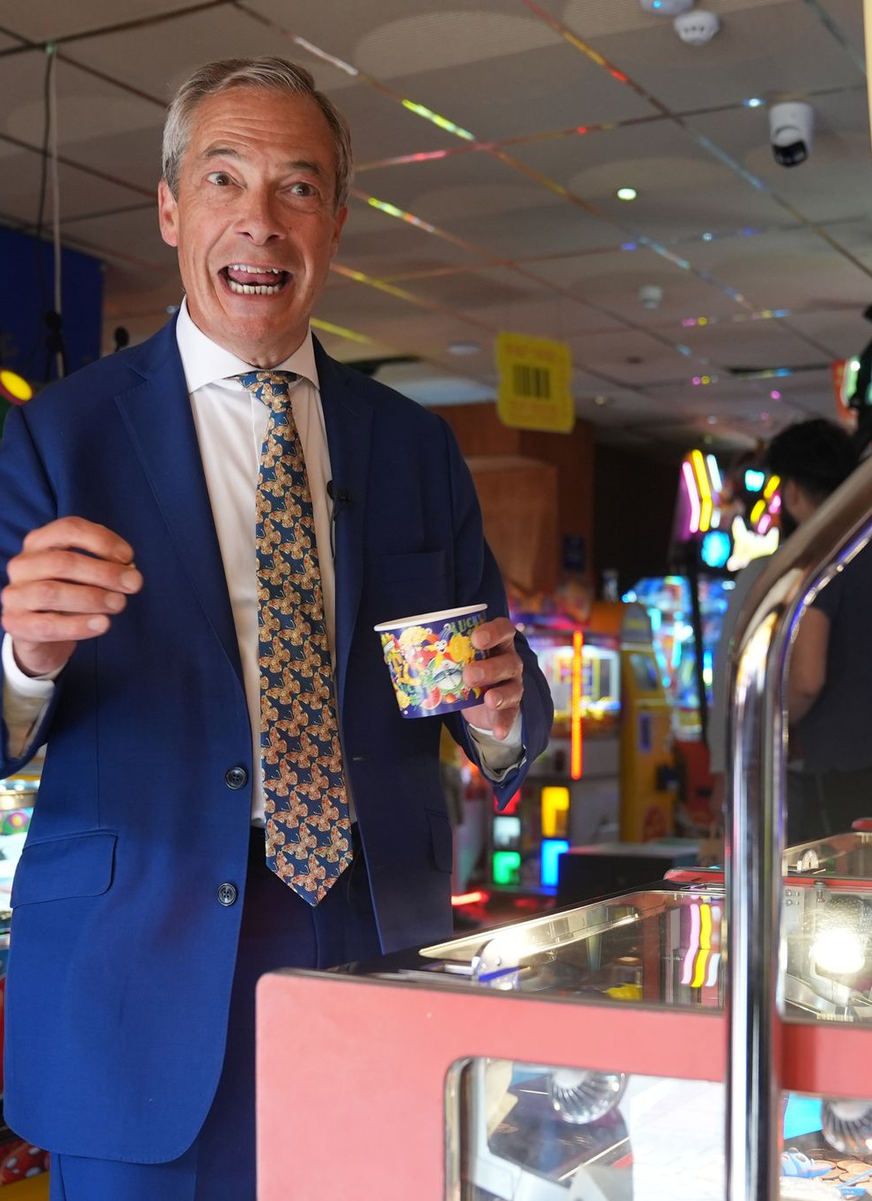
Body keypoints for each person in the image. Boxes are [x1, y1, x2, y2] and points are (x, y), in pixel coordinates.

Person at [0, 57, 552, 1200]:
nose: (260, 221)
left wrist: (503, 715)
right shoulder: (57, 440)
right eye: (223, 179)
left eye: (298, 188)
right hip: (135, 963)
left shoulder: (413, 445)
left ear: (336, 223)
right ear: (169, 209)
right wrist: (26, 656)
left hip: (372, 931)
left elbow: (502, 691)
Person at [766, 419, 872, 844]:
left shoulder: (820, 566)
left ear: (793, 490)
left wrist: (768, 721)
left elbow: (806, 679)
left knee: (834, 900)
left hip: (842, 773)